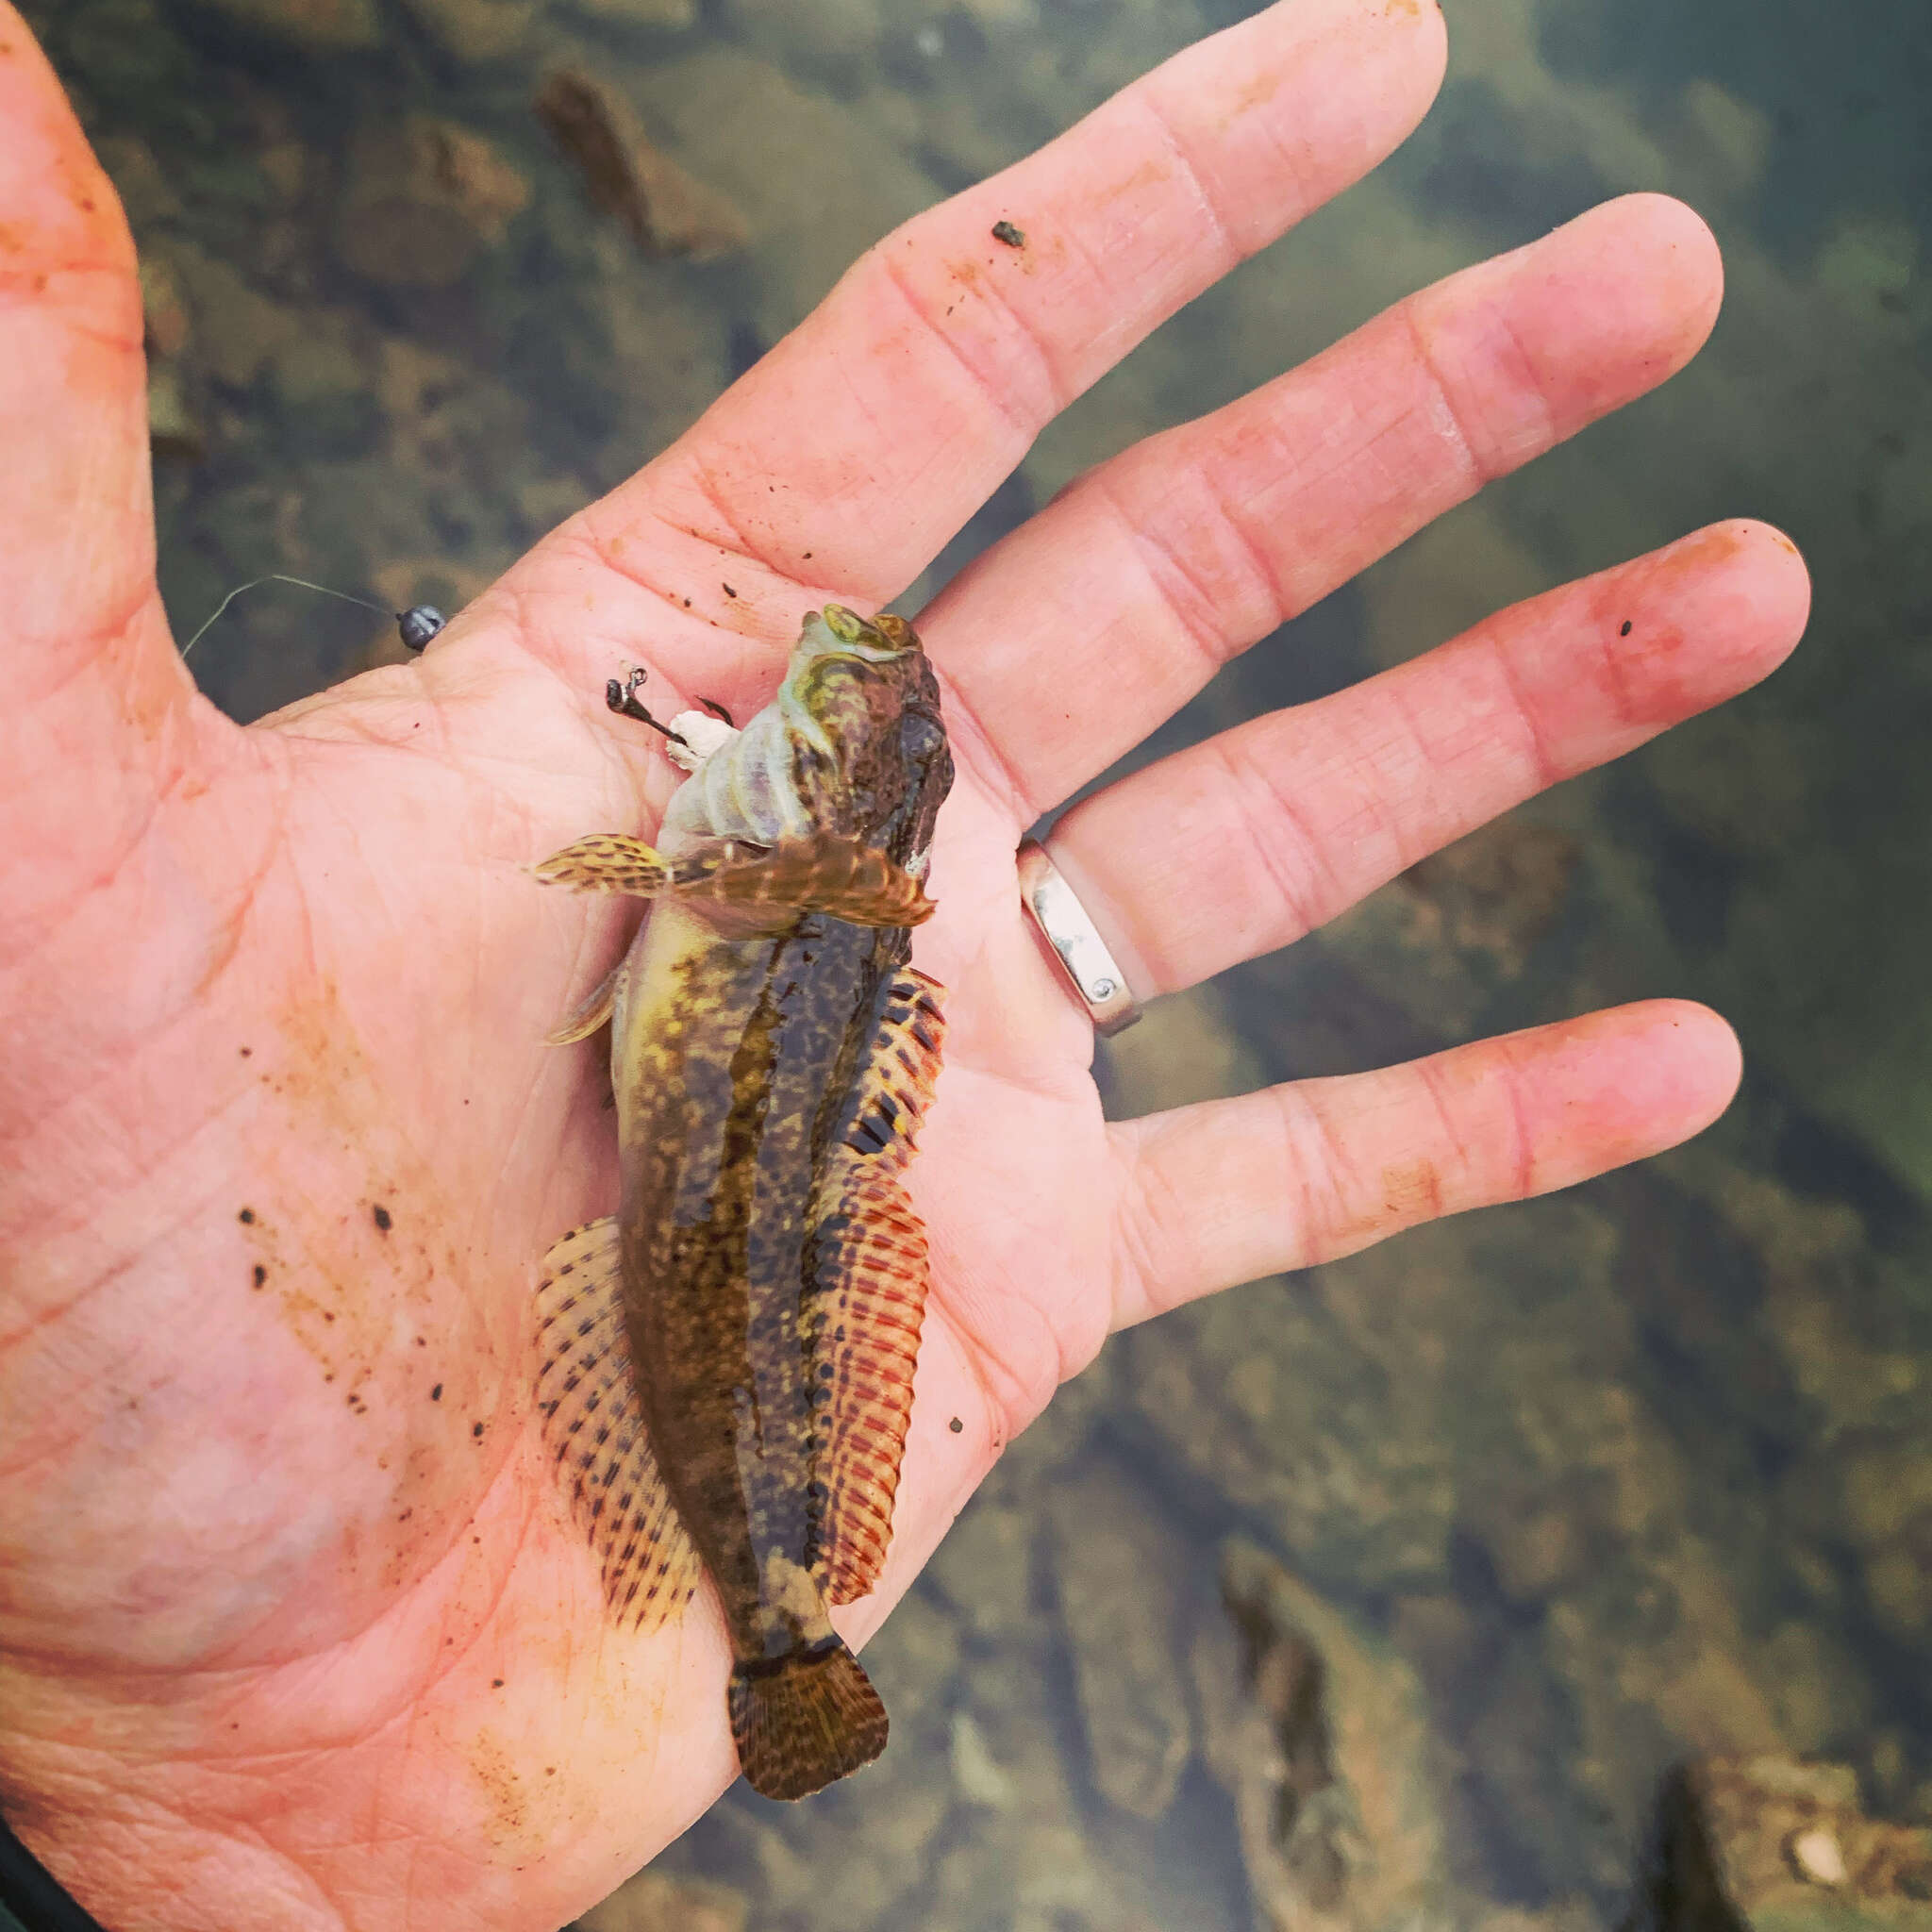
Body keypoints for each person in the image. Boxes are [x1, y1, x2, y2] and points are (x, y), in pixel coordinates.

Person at [0, 0, 1810, 1924]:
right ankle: (776, 1620)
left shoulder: (724, 875)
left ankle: (778, 1626)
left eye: (856, 755)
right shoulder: (753, 882)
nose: (834, 712)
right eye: (857, 747)